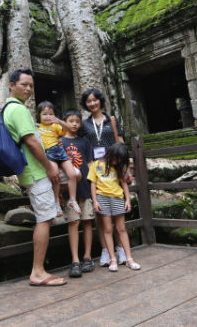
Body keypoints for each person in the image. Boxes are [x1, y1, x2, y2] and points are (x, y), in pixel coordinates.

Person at [3, 69, 67, 287]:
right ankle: (38, 272)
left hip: (32, 171)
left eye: (31, 85)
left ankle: (38, 270)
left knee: (46, 217)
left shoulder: (10, 108)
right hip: (35, 171)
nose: (29, 89)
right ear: (12, 85)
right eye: (24, 84)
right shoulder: (18, 110)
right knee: (44, 219)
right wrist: (49, 167)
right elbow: (31, 142)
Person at [79, 88, 128, 267]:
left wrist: (125, 166)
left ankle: (121, 249)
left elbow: (120, 141)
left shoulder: (112, 120)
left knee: (118, 212)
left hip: (114, 168)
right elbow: (83, 146)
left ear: (100, 100)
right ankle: (106, 250)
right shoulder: (84, 125)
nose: (92, 104)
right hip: (96, 170)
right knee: (101, 215)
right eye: (88, 101)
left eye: (94, 100)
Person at [88, 143, 140, 272]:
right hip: (102, 198)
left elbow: (124, 184)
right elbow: (93, 184)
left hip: (117, 197)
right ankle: (113, 259)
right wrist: (95, 201)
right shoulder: (96, 164)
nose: (116, 161)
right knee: (107, 229)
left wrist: (127, 200)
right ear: (110, 153)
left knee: (121, 228)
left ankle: (129, 258)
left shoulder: (119, 167)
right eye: (115, 158)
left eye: (119, 160)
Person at [60, 109, 95, 278]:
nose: (74, 124)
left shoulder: (85, 142)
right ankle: (75, 260)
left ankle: (87, 257)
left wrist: (94, 185)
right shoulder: (59, 141)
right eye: (71, 120)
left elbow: (90, 164)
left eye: (77, 121)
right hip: (68, 191)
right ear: (64, 122)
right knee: (73, 223)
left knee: (87, 222)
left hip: (85, 187)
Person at [36, 101, 81, 217]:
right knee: (56, 176)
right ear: (39, 116)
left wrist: (58, 120)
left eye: (51, 114)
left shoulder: (55, 126)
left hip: (59, 152)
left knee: (72, 174)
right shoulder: (37, 128)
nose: (48, 116)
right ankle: (56, 202)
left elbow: (67, 128)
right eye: (44, 114)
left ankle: (72, 200)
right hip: (49, 153)